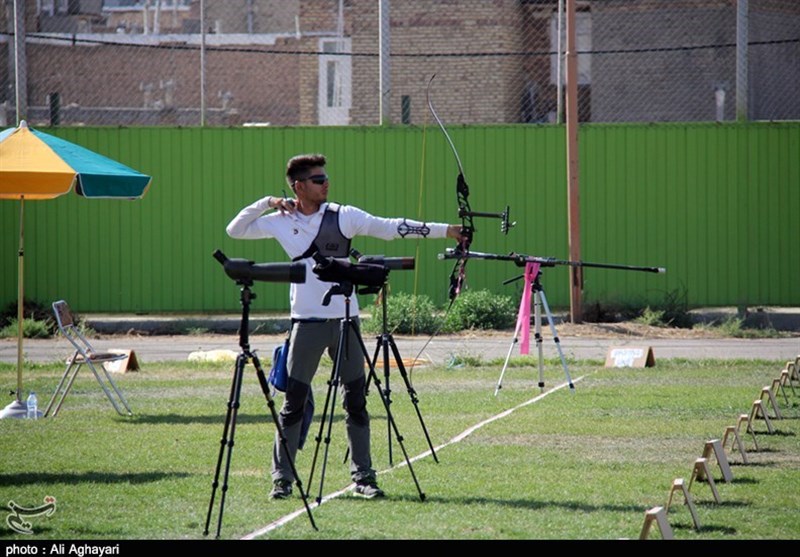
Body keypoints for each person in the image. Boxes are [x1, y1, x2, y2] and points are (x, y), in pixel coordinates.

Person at [226, 153, 464, 500]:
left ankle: (363, 477)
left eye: (326, 178)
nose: (326, 184)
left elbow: (390, 227)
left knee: (356, 400)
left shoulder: (344, 216)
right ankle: (282, 479)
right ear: (299, 187)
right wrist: (267, 202)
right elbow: (235, 230)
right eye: (318, 180)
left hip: (345, 321)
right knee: (293, 403)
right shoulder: (280, 219)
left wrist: (447, 230)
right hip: (306, 324)